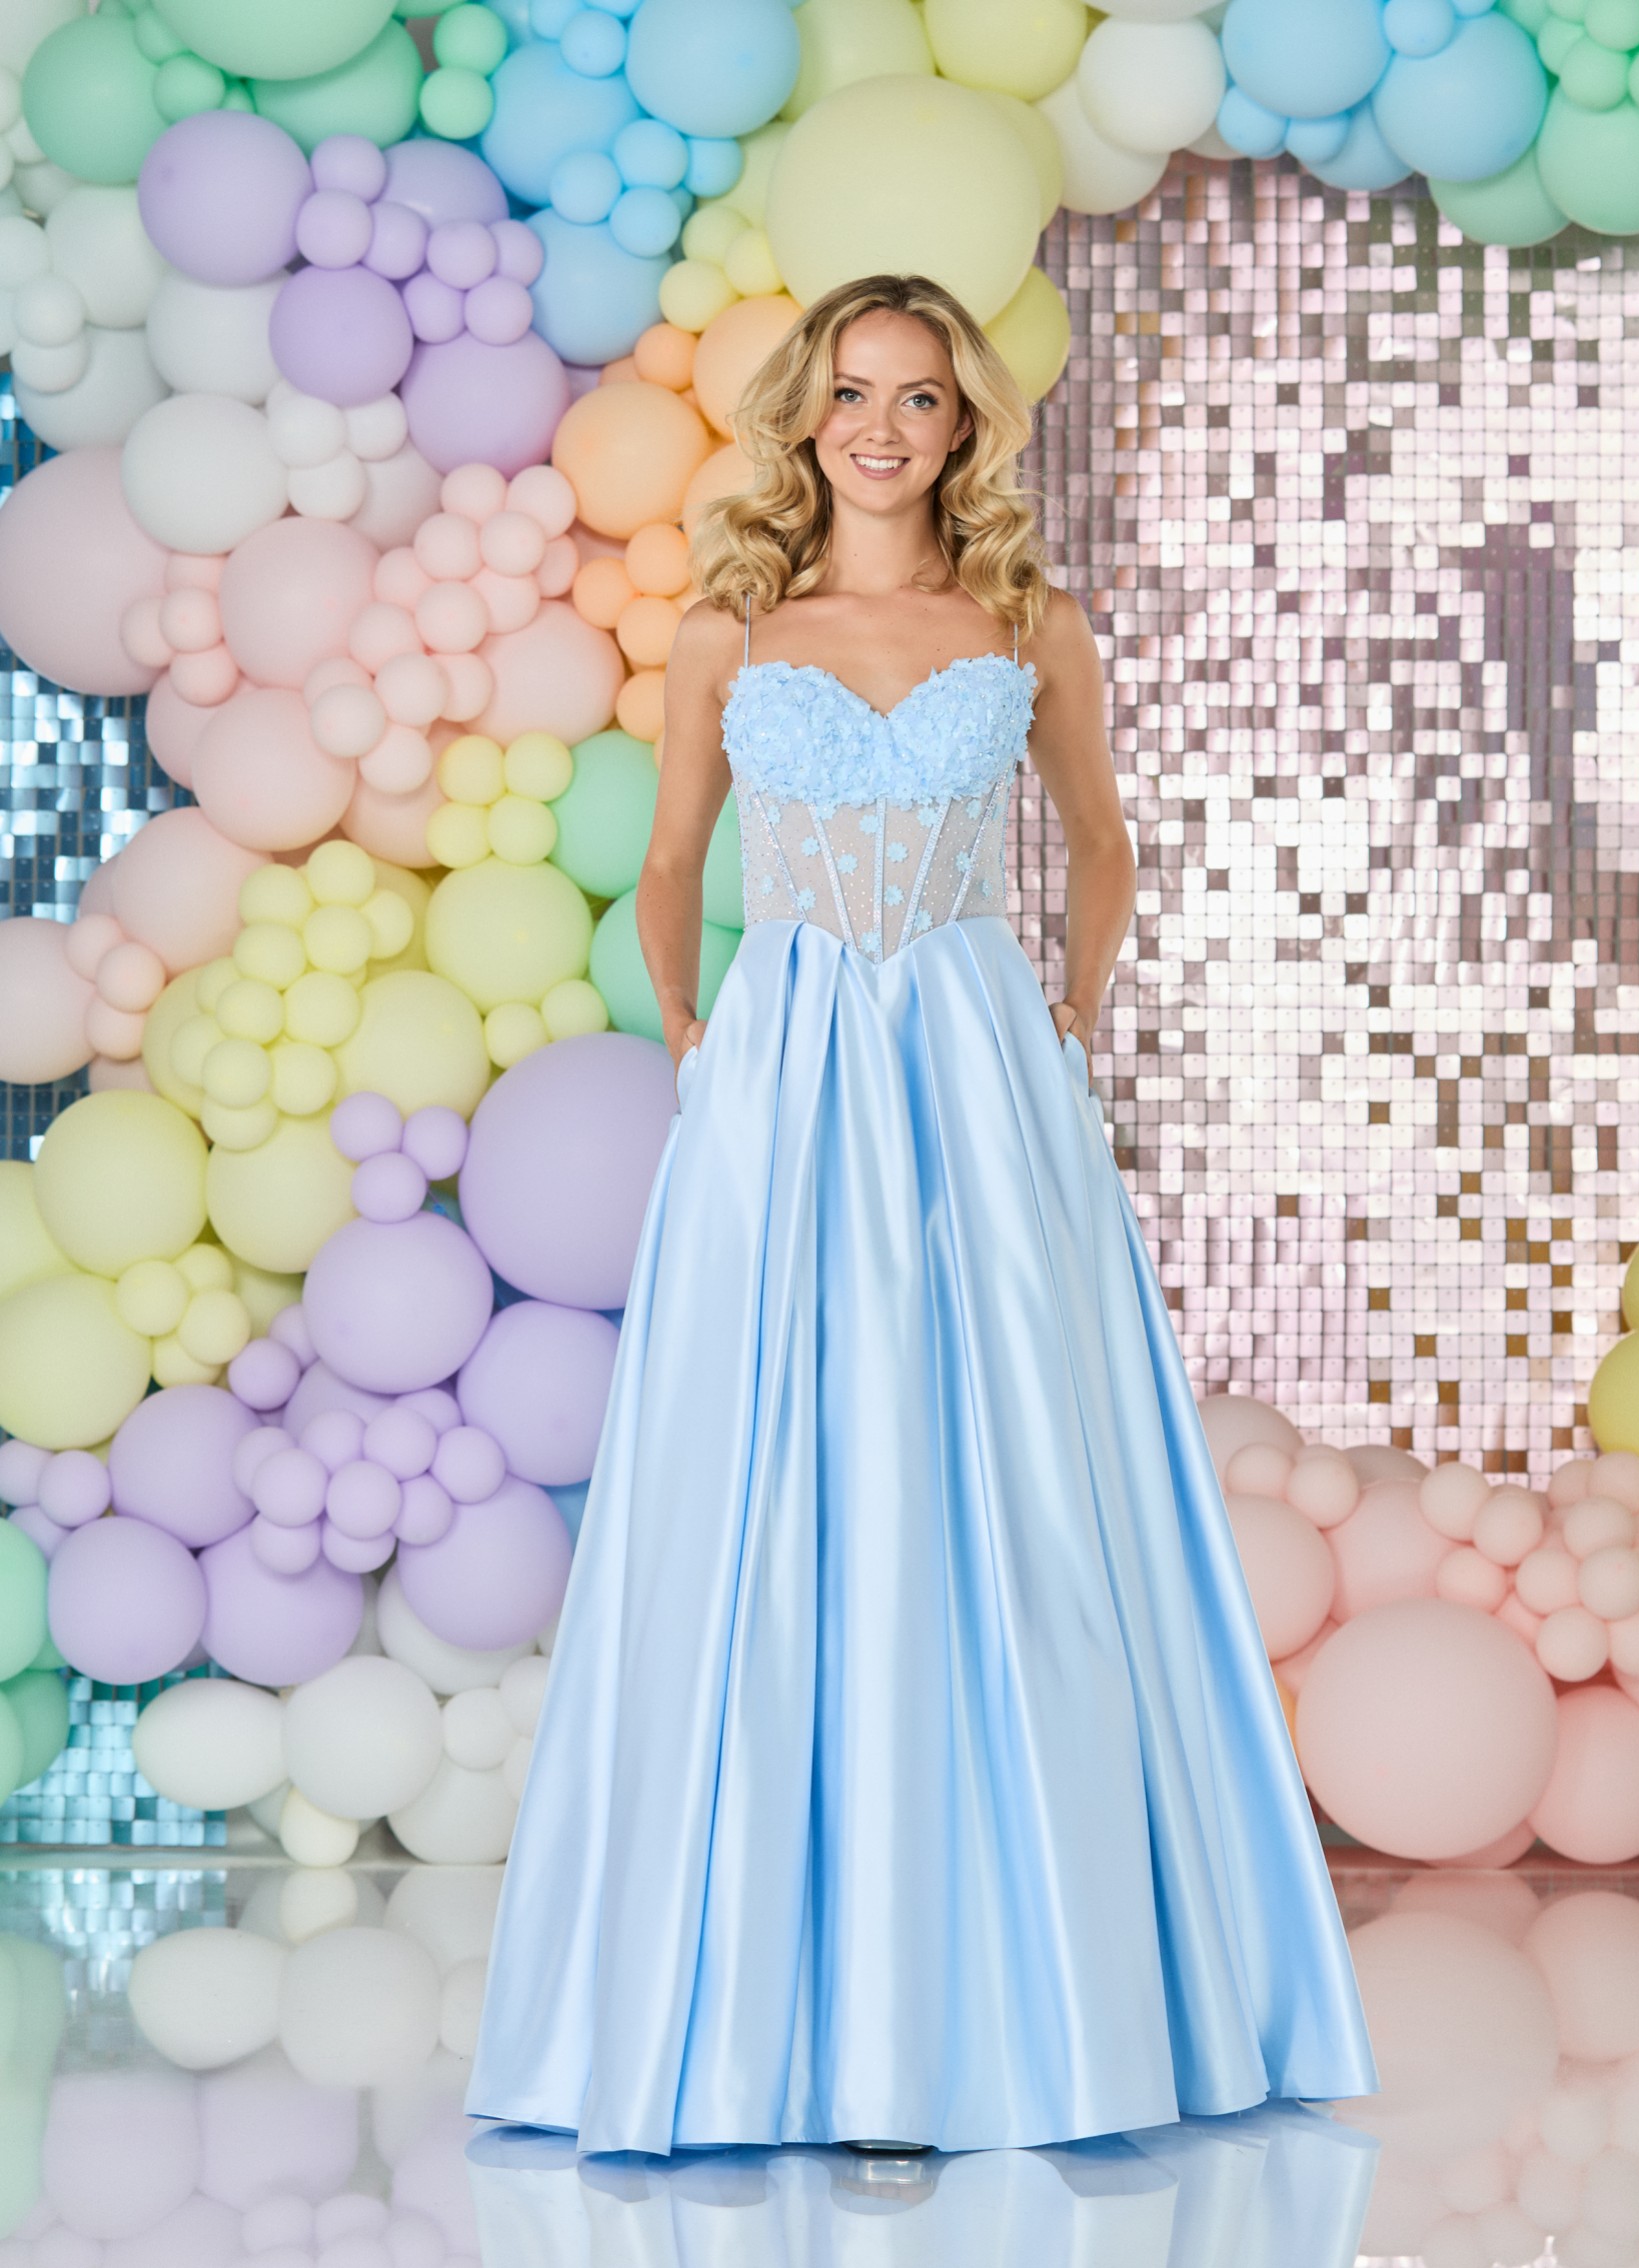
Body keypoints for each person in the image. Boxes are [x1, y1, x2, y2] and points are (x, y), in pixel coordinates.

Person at [466, 272, 1379, 2160]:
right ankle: (769, 2005)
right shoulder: (730, 630)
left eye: (920, 396)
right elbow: (671, 859)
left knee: (1018, 1466)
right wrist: (692, 1026)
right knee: (774, 1460)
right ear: (807, 416)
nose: (882, 426)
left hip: (974, 1059)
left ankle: (1035, 1986)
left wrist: (1071, 1013)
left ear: (964, 424)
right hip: (787, 1062)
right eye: (854, 392)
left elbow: (1103, 839)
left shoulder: (1029, 622)